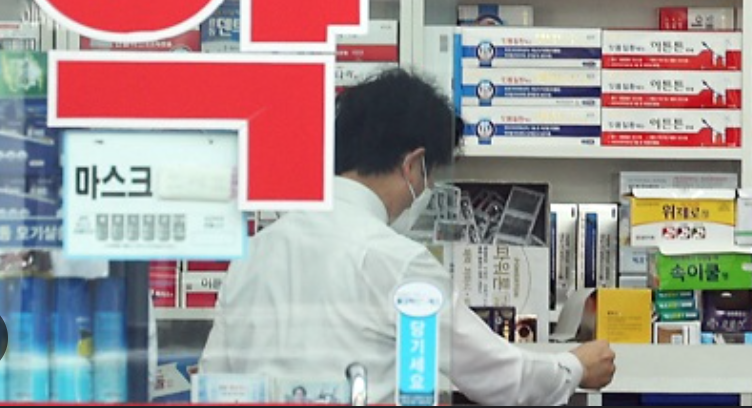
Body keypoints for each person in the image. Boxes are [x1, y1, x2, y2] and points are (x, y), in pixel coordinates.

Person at [200, 68, 616, 405]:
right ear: (413, 165)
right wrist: (576, 366)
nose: (428, 190)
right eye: (431, 177)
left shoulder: (255, 251)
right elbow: (501, 378)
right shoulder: (396, 261)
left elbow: (214, 382)